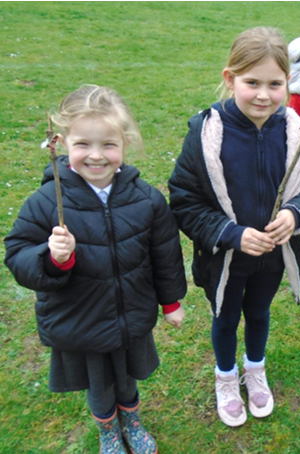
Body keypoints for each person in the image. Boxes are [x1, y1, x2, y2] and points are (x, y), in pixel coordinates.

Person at [4, 85, 187, 454]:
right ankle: (107, 428)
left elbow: (165, 254)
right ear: (61, 141)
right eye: (83, 144)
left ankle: (131, 418)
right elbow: (17, 253)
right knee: (98, 382)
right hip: (80, 318)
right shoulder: (46, 202)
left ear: (126, 142)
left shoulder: (146, 199)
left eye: (108, 144)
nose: (96, 156)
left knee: (126, 376)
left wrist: (170, 303)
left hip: (130, 313)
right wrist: (53, 258)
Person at [168, 27, 300, 428]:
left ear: (288, 82)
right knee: (225, 317)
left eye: (275, 84)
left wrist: (294, 213)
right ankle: (225, 377)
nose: (263, 95)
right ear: (229, 79)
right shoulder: (206, 133)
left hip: (274, 257)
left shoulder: (297, 131)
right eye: (251, 82)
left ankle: (254, 368)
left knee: (258, 313)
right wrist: (232, 234)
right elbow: (185, 200)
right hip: (223, 259)